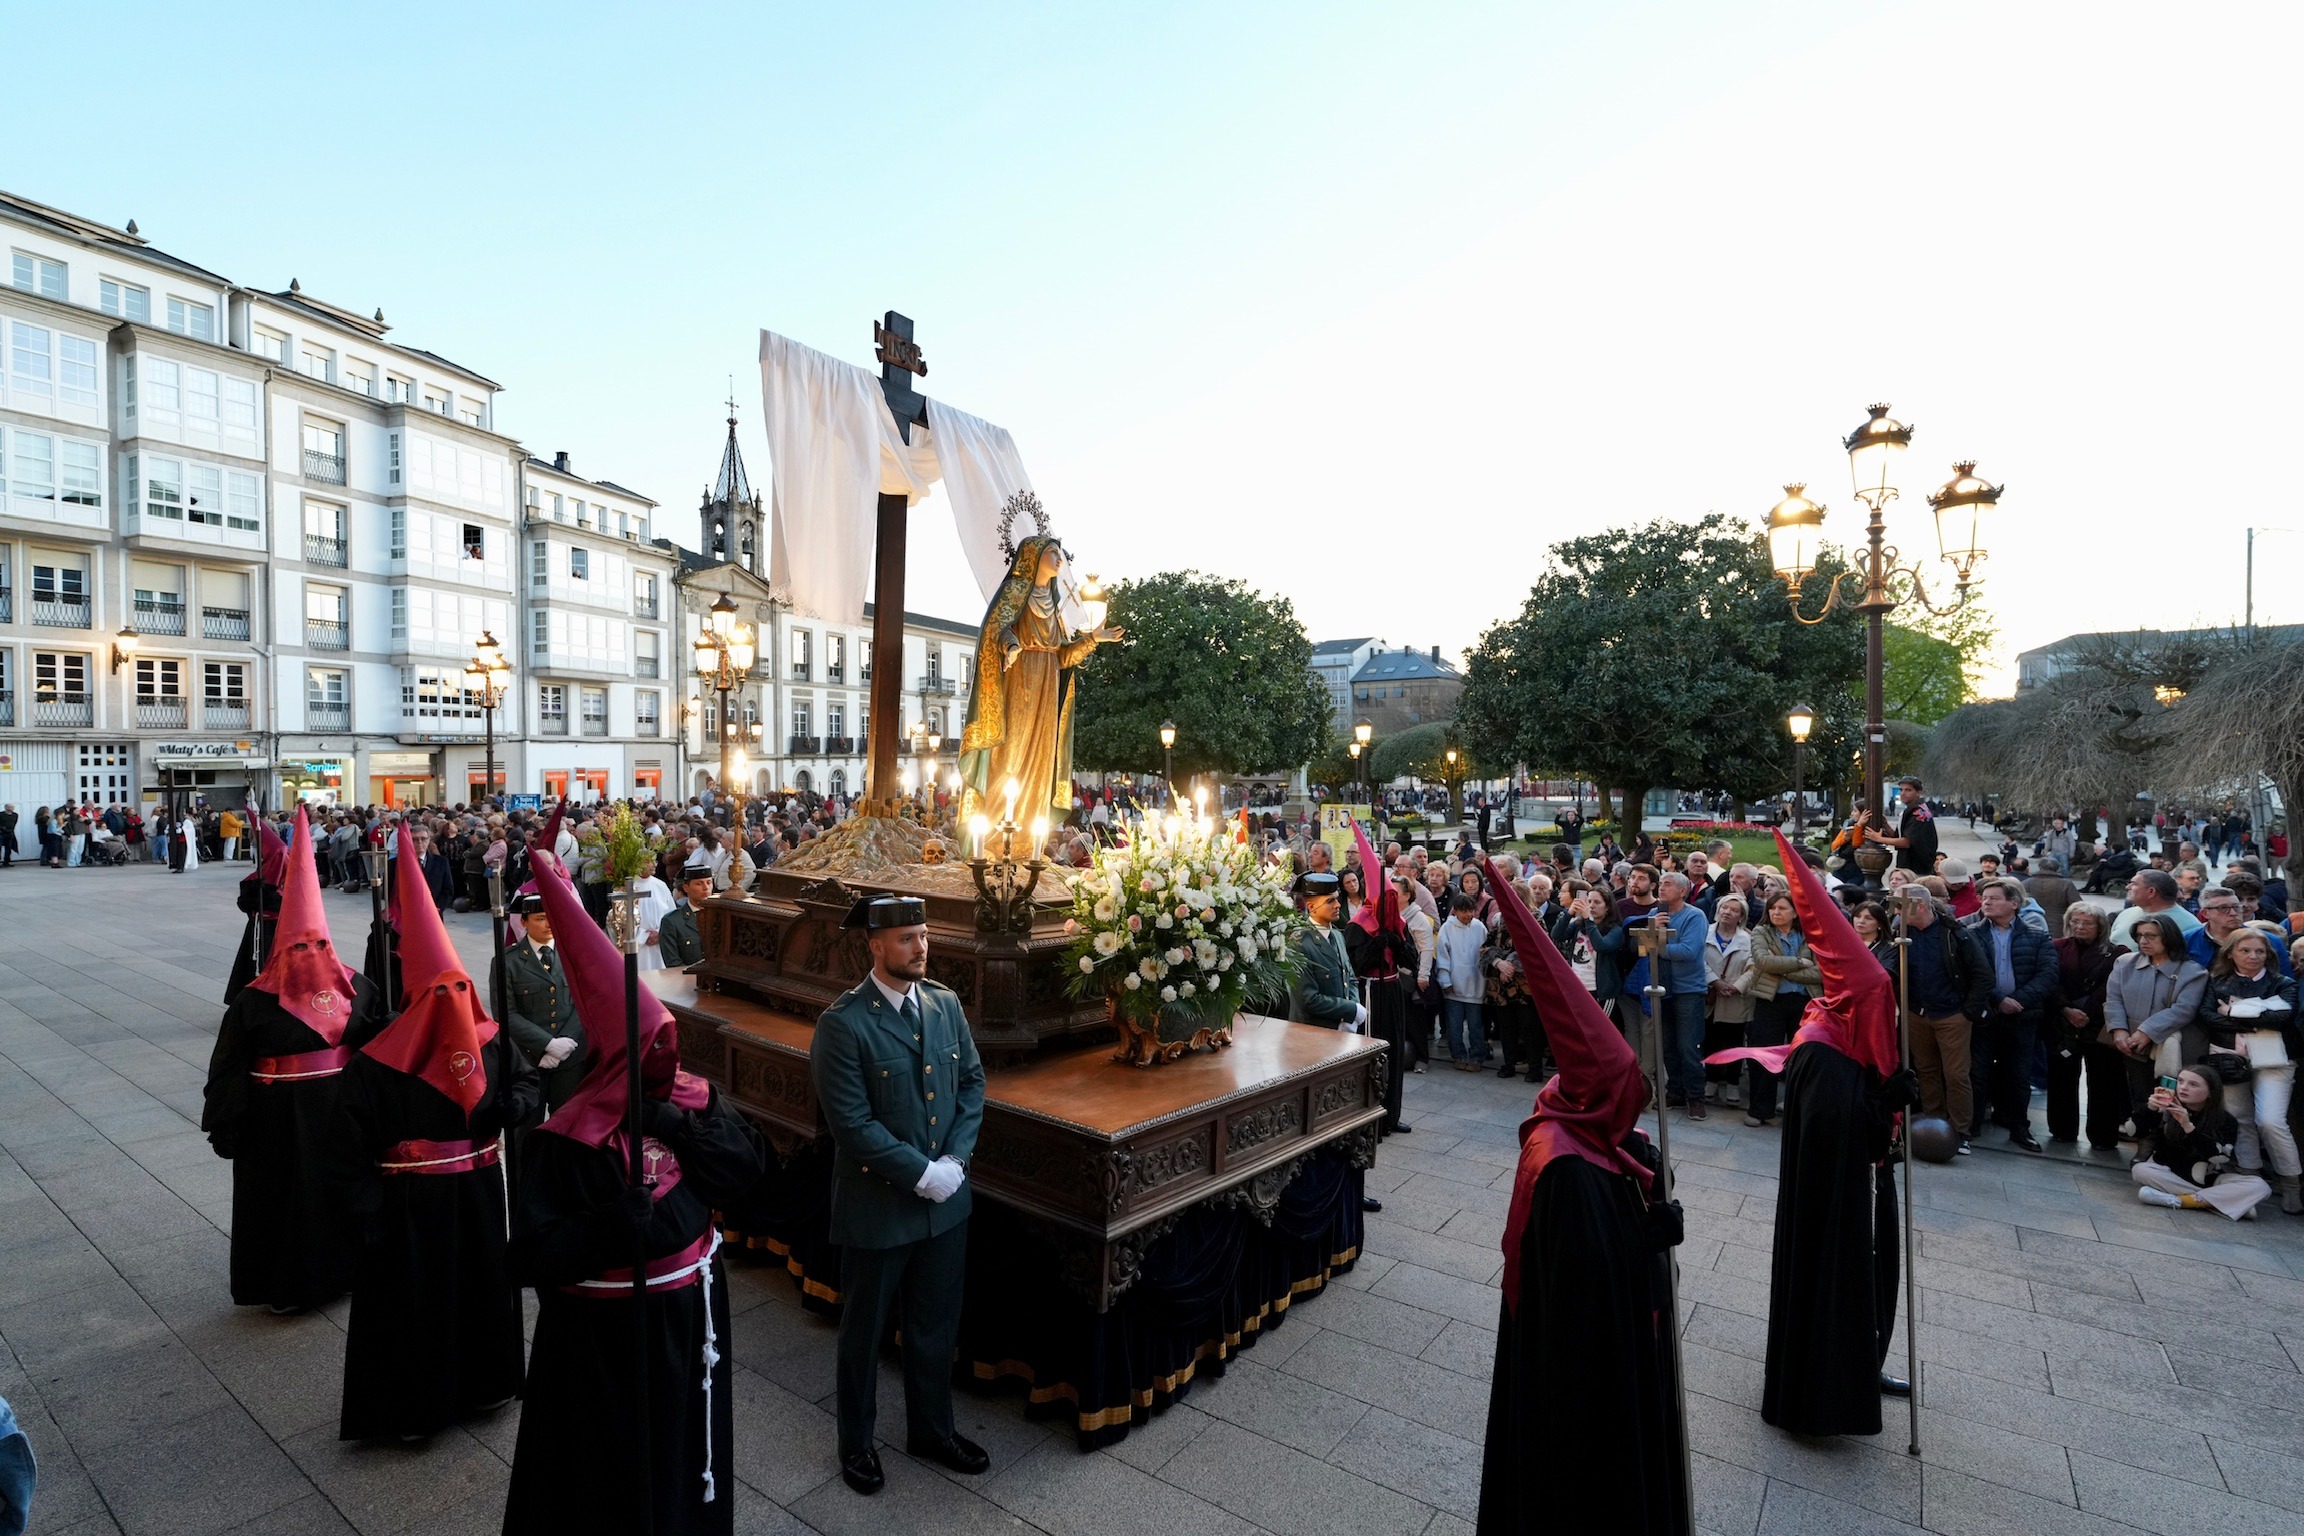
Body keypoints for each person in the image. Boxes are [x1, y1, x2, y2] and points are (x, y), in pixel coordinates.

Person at [503, 853, 767, 1533]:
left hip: (692, 1320)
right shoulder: (566, 1140)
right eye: (651, 1049)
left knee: (688, 1455)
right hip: (607, 1344)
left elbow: (745, 1174)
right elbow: (531, 1257)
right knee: (615, 1474)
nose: (666, 1062)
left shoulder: (691, 1101)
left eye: (668, 1046)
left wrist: (682, 1128)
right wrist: (610, 1225)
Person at [1476, 860, 1688, 1535]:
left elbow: (1616, 1181)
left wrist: (1643, 1174)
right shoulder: (1562, 1165)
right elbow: (1585, 1280)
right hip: (1577, 1375)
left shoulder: (1582, 1126)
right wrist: (1646, 1236)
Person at [331, 825, 542, 1440]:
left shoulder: (491, 1043)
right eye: (440, 990)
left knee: (482, 1286)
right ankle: (413, 1410)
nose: (453, 999)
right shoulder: (377, 1062)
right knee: (416, 1300)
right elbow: (346, 1142)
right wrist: (365, 1206)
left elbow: (525, 1083)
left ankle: (487, 1384)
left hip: (478, 1191)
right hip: (410, 1204)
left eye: (461, 988)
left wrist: (516, 1106)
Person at [1709, 830, 1917, 1431]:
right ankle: (1830, 1382)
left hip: (1859, 1189)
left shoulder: (1838, 1023)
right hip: (1835, 1205)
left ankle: (1865, 1359)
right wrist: (1883, 1102)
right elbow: (1840, 1133)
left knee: (1873, 1274)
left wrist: (1884, 1093)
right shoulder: (1823, 1049)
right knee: (1841, 1276)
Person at [809, 895, 989, 1497]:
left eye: (924, 935)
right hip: (880, 1206)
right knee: (864, 1331)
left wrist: (955, 1161)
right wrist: (921, 1173)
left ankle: (932, 1431)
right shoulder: (843, 1023)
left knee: (935, 1325)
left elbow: (971, 1083)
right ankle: (856, 1443)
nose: (920, 947)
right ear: (875, 946)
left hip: (945, 1203)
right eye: (907, 938)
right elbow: (852, 1125)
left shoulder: (943, 1003)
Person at [201, 805, 387, 1311]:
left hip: (342, 1111)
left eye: (319, 944)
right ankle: (286, 1286)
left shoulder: (358, 988)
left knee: (342, 1191)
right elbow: (228, 1065)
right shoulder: (254, 1001)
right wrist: (226, 1122)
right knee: (283, 1200)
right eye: (300, 946)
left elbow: (376, 1046)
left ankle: (345, 1272)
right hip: (276, 1119)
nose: (310, 953)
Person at [2203, 928, 2301, 1214]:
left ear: (2268, 955)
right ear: (2230, 953)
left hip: (2275, 1059)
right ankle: (2250, 1175)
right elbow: (2207, 1016)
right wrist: (2258, 1016)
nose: (2253, 956)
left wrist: (2232, 1012)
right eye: (2245, 950)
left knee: (2270, 1120)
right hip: (2229, 1057)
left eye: (2260, 951)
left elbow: (2282, 1017)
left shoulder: (2283, 983)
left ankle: (2291, 1183)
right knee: (2240, 1118)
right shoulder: (2216, 981)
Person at [2103, 914, 2208, 1163]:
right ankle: (2144, 1144)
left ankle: (2170, 1149)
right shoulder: (2124, 963)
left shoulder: (2193, 971)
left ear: (2169, 937)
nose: (2143, 941)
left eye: (2151, 936)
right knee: (2141, 1097)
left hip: (2174, 1047)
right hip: (2133, 1045)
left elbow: (2184, 1009)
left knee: (2171, 1096)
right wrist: (2119, 1030)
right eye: (2139, 936)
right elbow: (2114, 1000)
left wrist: (2146, 1032)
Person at [1964, 878, 2057, 1153]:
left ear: (2014, 904)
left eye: (1994, 898)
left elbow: (2048, 974)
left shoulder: (2037, 936)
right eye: (1984, 897)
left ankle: (2019, 1128)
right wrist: (1999, 999)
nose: (1986, 902)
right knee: (1977, 1072)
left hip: (2022, 1017)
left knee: (2018, 1075)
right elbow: (1970, 972)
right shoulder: (1971, 933)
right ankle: (1971, 1127)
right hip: (1985, 1015)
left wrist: (2018, 1001)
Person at [2132, 1066, 2272, 1220]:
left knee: (2260, 1186)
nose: (2183, 1087)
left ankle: (2181, 1201)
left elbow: (2219, 1157)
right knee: (2140, 1170)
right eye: (2181, 1081)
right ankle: (2221, 1202)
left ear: (2211, 1092)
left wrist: (2188, 1127)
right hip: (2169, 1175)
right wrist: (2150, 1109)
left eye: (2193, 1084)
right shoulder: (2166, 1109)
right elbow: (2135, 1132)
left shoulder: (2226, 1120)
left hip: (2212, 1180)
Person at [1345, 836, 1415, 1134]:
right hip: (1370, 992)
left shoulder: (1398, 923)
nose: (1390, 904)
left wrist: (1397, 943)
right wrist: (1375, 946)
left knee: (1395, 1051)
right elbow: (1354, 964)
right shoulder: (1357, 925)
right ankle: (1369, 1118)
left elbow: (1411, 959)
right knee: (1373, 1054)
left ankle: (1391, 1115)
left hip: (1393, 989)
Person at [494, 893, 588, 1112]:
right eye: (540, 918)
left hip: (570, 1057)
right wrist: (548, 1044)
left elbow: (584, 1002)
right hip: (527, 1060)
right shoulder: (507, 961)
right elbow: (505, 1014)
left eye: (551, 918)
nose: (548, 924)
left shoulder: (572, 955)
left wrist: (564, 1045)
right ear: (523, 922)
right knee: (527, 1125)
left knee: (567, 1123)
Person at [2047, 906, 2124, 1151]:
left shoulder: (2117, 953)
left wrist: (2086, 1013)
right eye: (2075, 921)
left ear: (2100, 927)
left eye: (2087, 923)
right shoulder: (2057, 946)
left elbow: (2112, 988)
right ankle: (2062, 1130)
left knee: (2104, 1084)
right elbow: (2050, 980)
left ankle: (2103, 1137)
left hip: (2099, 1025)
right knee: (2061, 1079)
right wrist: (2066, 1009)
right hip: (2063, 1023)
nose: (2080, 927)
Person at [1742, 893, 1820, 1129]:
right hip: (1771, 1001)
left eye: (1782, 908)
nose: (1776, 912)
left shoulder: (1810, 934)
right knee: (1764, 1055)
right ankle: (1760, 1109)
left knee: (1802, 1058)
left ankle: (1795, 1109)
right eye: (1772, 908)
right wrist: (1799, 963)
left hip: (1805, 1002)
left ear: (1795, 912)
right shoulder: (1761, 932)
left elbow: (1821, 972)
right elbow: (1763, 962)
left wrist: (1782, 969)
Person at [1703, 895, 1756, 1109]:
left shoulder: (1748, 939)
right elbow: (1698, 960)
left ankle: (1733, 1084)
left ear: (1741, 916)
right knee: (1710, 1041)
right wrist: (1714, 981)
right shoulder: (1705, 932)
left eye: (1734, 910)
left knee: (1734, 1042)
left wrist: (1737, 986)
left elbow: (1754, 967)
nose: (1727, 912)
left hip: (1736, 997)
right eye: (1724, 907)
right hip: (1711, 995)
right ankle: (1711, 1081)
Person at [1435, 889, 1490, 1070]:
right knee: (1454, 1025)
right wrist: (1445, 980)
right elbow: (1443, 956)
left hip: (1476, 985)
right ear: (1456, 911)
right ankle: (1458, 1055)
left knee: (1475, 1025)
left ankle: (1477, 1057)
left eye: (1471, 911)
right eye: (1464, 911)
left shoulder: (1479, 927)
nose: (1468, 915)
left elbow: (1485, 954)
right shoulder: (1447, 928)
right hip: (1454, 986)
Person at [2109, 870, 2204, 952]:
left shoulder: (2191, 926)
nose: (2127, 887)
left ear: (2151, 891)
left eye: (2134, 883)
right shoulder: (2125, 914)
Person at [1864, 777, 1938, 877]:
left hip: (1916, 868)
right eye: (1901, 790)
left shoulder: (1918, 813)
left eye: (1908, 790)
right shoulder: (1913, 810)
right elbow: (1897, 837)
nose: (1903, 793)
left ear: (1918, 792)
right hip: (1912, 866)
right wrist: (1885, 825)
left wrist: (1878, 838)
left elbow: (1906, 842)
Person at [654, 856, 713, 970]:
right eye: (699, 883)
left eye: (709, 882)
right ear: (686, 887)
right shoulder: (672, 922)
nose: (706, 888)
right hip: (687, 979)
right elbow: (673, 963)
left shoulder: (721, 917)